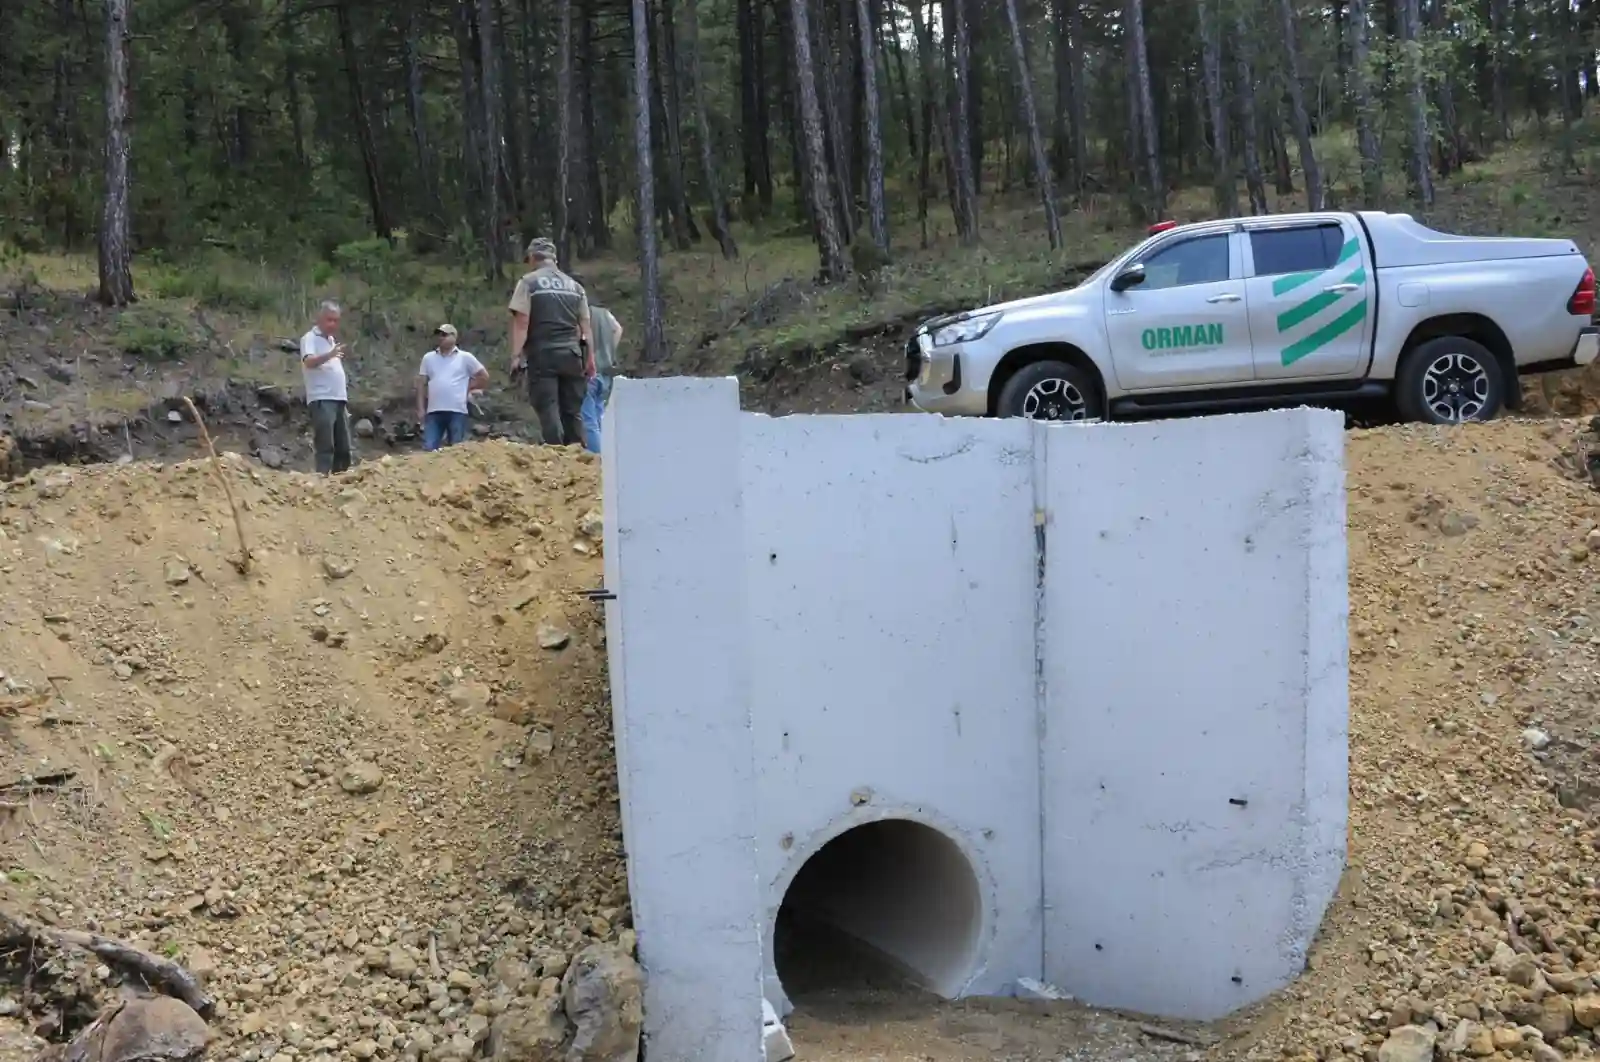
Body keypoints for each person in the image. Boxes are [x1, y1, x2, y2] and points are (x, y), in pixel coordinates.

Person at [508, 237, 592, 446]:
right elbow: (585, 327)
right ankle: (578, 457)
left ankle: (556, 457)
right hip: (572, 355)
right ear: (554, 259)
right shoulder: (575, 286)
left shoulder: (529, 282)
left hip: (542, 353)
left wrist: (516, 356)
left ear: (532, 258)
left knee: (548, 407)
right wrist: (590, 359)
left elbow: (522, 322)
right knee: (572, 410)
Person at [417, 324, 489, 451]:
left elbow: (483, 376)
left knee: (456, 449)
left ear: (454, 337)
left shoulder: (465, 357)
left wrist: (469, 387)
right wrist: (420, 408)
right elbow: (421, 383)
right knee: (429, 448)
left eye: (444, 335)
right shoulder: (428, 358)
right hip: (434, 410)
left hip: (457, 410)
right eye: (439, 335)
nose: (440, 338)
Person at [300, 300, 352, 475]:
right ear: (319, 319)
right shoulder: (310, 338)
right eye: (329, 320)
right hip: (322, 398)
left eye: (336, 320)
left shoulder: (331, 340)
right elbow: (308, 361)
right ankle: (323, 479)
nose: (333, 324)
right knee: (325, 444)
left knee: (343, 445)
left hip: (338, 399)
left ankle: (341, 480)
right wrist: (329, 355)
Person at [577, 292, 623, 453]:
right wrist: (610, 350)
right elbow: (618, 329)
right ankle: (608, 452)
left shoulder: (582, 315)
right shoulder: (605, 313)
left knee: (589, 419)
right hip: (606, 371)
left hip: (589, 371)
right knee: (600, 414)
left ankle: (598, 456)